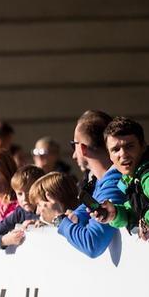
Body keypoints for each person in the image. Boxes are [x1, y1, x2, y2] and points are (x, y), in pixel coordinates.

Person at [58, 110, 126, 258]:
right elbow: (79, 214)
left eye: (73, 144)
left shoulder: (114, 184)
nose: (73, 154)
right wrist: (71, 219)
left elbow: (92, 244)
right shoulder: (101, 183)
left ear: (82, 148)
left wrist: (61, 223)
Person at [92, 117, 149, 236]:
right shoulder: (132, 178)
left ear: (143, 146)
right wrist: (115, 213)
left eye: (129, 146)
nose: (123, 154)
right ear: (109, 155)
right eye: (116, 149)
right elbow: (137, 209)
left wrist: (146, 220)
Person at [0, 165, 44, 249]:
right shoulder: (19, 213)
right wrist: (6, 240)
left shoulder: (50, 210)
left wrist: (46, 225)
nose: (24, 199)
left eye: (28, 193)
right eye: (19, 194)